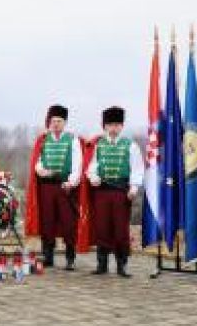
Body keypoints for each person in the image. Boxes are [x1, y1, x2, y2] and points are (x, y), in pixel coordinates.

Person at [85, 106, 144, 277]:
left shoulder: (130, 145)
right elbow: (91, 167)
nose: (113, 128)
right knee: (102, 228)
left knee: (120, 229)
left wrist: (133, 188)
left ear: (122, 126)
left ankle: (122, 265)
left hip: (121, 192)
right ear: (104, 126)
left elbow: (137, 169)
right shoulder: (99, 145)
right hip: (102, 192)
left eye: (117, 124)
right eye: (110, 125)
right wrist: (93, 177)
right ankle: (102, 264)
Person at [24, 104, 84, 270]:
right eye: (53, 121)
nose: (56, 124)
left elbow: (77, 163)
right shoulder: (43, 139)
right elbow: (37, 161)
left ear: (64, 123)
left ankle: (70, 258)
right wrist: (40, 169)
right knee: (47, 221)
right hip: (47, 187)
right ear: (49, 122)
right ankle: (48, 256)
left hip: (65, 186)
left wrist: (71, 182)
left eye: (59, 121)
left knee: (68, 222)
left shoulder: (72, 140)